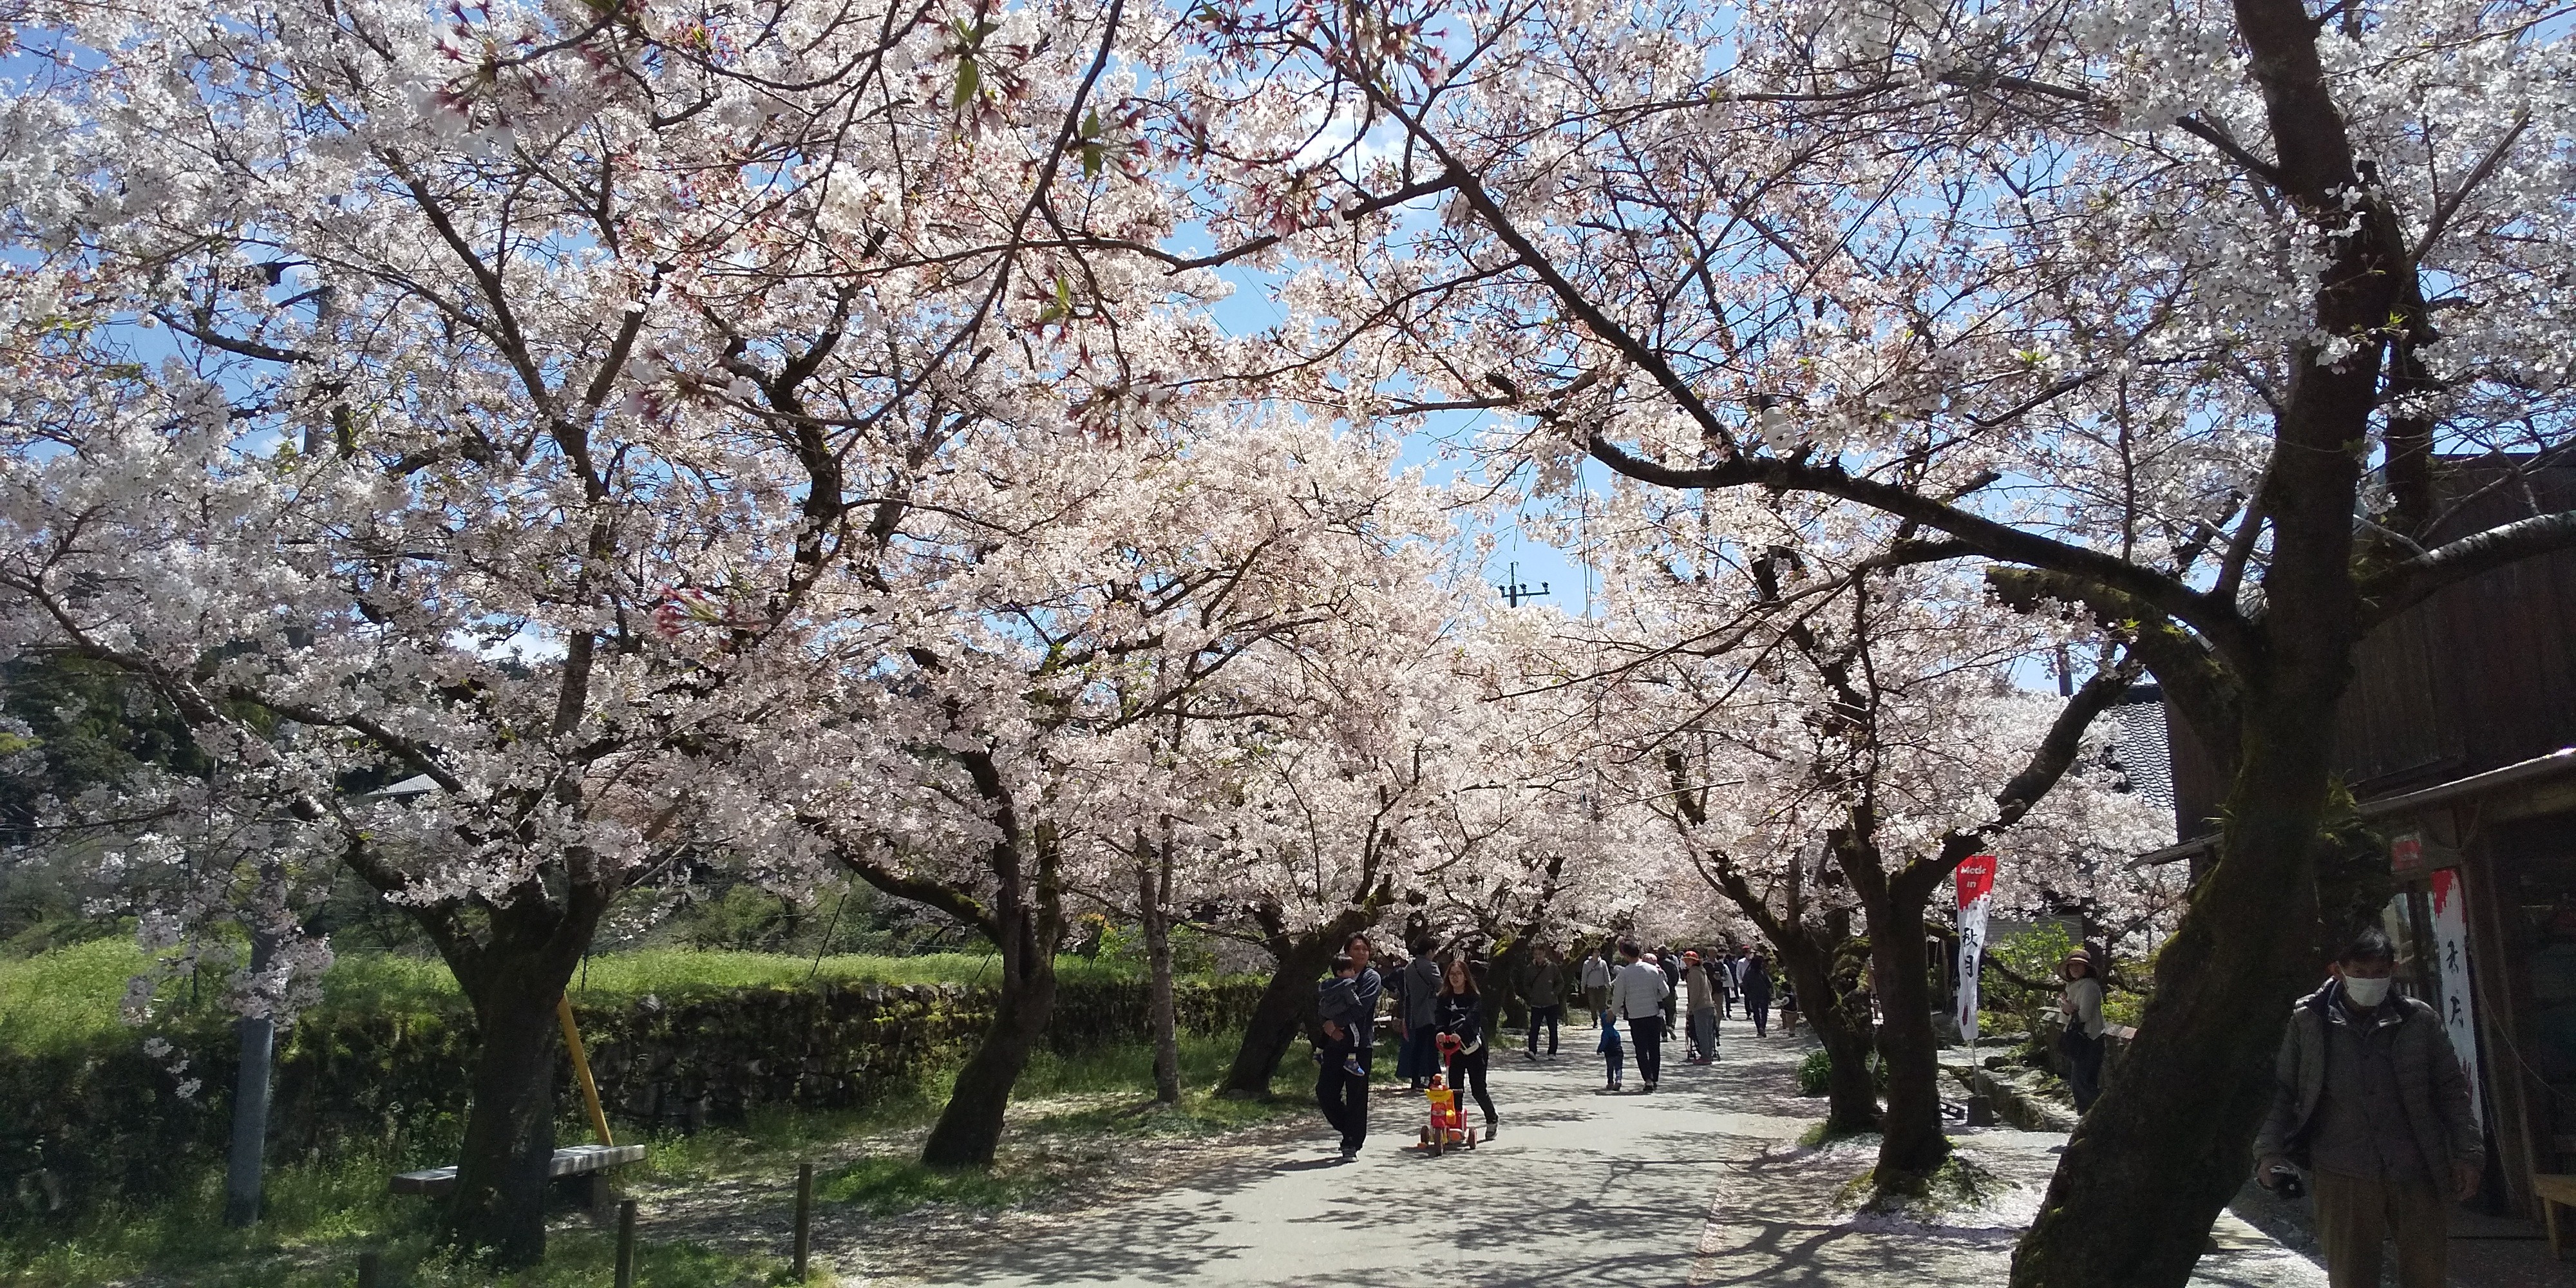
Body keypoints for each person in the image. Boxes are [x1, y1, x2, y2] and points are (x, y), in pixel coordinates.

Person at [2256, 927, 2481, 1288]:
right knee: (2351, 1276)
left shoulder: (2418, 1020)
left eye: (2379, 972)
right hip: (2341, 1168)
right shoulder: (2309, 1021)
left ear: (2393, 969)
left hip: (2416, 1165)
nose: (2370, 981)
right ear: (2337, 970)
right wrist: (2269, 1153)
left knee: (2427, 1274)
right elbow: (2283, 1090)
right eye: (2360, 973)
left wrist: (2468, 1154)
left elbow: (2451, 1090)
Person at [1313, 932, 1382, 1161]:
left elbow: (1360, 1008)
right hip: (1336, 1043)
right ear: (1347, 953)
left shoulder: (1371, 978)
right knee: (1325, 1092)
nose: (1361, 953)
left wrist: (1335, 1023)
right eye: (1356, 949)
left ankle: (1351, 1143)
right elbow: (1325, 1003)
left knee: (1356, 1095)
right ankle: (1351, 1129)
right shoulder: (1337, 978)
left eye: (1365, 949)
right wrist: (1328, 1026)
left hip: (1360, 1045)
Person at [1437, 956, 1499, 1139]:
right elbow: (1440, 1017)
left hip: (1474, 1048)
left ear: (1466, 977)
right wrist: (1440, 1032)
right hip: (1452, 1049)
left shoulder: (1474, 997)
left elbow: (1473, 1019)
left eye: (1459, 974)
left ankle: (1491, 1118)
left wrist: (1461, 1033)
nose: (1455, 978)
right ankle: (1456, 1125)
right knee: (1455, 1089)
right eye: (1452, 974)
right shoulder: (1444, 998)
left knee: (1478, 1088)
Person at [1609, 939, 1671, 1091]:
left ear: (1625, 955)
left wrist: (1612, 1012)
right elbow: (1666, 992)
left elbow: (1618, 997)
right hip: (1653, 1014)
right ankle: (1654, 1078)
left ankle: (1648, 1079)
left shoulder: (1624, 974)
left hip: (1636, 1016)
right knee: (1654, 1048)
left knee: (1641, 1049)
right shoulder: (1653, 970)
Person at [2058, 951, 2107, 1113]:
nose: (2074, 969)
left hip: (2090, 1039)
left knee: (2084, 1082)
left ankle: (2096, 1116)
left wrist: (2069, 1009)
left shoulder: (2090, 987)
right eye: (2071, 966)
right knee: (2079, 1082)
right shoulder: (2071, 988)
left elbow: (2084, 1015)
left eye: (2078, 965)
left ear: (2086, 968)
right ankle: (2089, 1117)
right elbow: (2064, 1018)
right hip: (2080, 1040)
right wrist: (2066, 1009)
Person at [1313, 954, 1370, 1079]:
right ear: (1339, 972)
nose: (1353, 972)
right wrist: (1356, 1003)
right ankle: (1351, 1059)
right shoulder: (1347, 985)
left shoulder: (1329, 986)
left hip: (1328, 1014)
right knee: (1355, 1036)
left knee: (1326, 1033)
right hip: (1342, 1014)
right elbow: (1354, 1002)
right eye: (1350, 970)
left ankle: (1318, 1052)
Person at [1400, 937, 1444, 1091]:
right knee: (1433, 1047)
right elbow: (1441, 986)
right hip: (1430, 1011)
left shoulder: (1409, 968)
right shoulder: (1431, 967)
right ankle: (1434, 1078)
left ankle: (1415, 1079)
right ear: (1430, 951)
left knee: (1417, 1047)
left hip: (1415, 1011)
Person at [1524, 945, 1566, 1059]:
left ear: (1544, 954)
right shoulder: (1530, 968)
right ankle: (1532, 1050)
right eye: (1536, 954)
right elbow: (1526, 984)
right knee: (1534, 1028)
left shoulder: (1552, 967)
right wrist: (1531, 993)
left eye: (1540, 954)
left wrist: (1554, 993)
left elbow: (1560, 982)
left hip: (1551, 1003)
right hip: (1536, 1003)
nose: (1538, 957)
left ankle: (1552, 1052)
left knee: (1552, 1028)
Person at [1683, 950, 1722, 1063]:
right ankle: (1709, 1054)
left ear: (1693, 962)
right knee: (1709, 1032)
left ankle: (1705, 1056)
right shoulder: (1702, 972)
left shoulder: (1694, 973)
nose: (1686, 962)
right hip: (1709, 1005)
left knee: (1702, 1033)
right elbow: (1709, 987)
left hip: (1700, 1007)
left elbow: (1695, 991)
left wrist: (1691, 1006)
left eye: (1688, 960)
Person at [1741, 950, 1774, 1038]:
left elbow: (1745, 984)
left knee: (1756, 1012)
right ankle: (1763, 1026)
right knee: (1764, 1012)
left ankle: (1759, 1029)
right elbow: (1769, 984)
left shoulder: (1748, 973)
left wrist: (1748, 993)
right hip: (1764, 994)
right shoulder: (1763, 972)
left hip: (1753, 995)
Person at [1598, 1000, 1625, 1091]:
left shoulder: (1605, 1033)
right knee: (1618, 1068)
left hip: (1610, 1053)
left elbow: (1604, 1042)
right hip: (1619, 1052)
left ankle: (1610, 1083)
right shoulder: (1616, 1033)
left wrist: (1600, 1049)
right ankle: (1618, 1080)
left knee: (1610, 1068)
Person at [1581, 945, 1613, 1026]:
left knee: (1602, 1006)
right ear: (1592, 953)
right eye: (1595, 952)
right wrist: (1583, 987)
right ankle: (1595, 1020)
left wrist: (1608, 984)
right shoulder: (1587, 964)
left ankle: (1603, 1021)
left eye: (1598, 952)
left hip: (1601, 987)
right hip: (1591, 988)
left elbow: (1606, 974)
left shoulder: (1603, 963)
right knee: (1593, 1005)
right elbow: (1584, 976)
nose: (1597, 953)